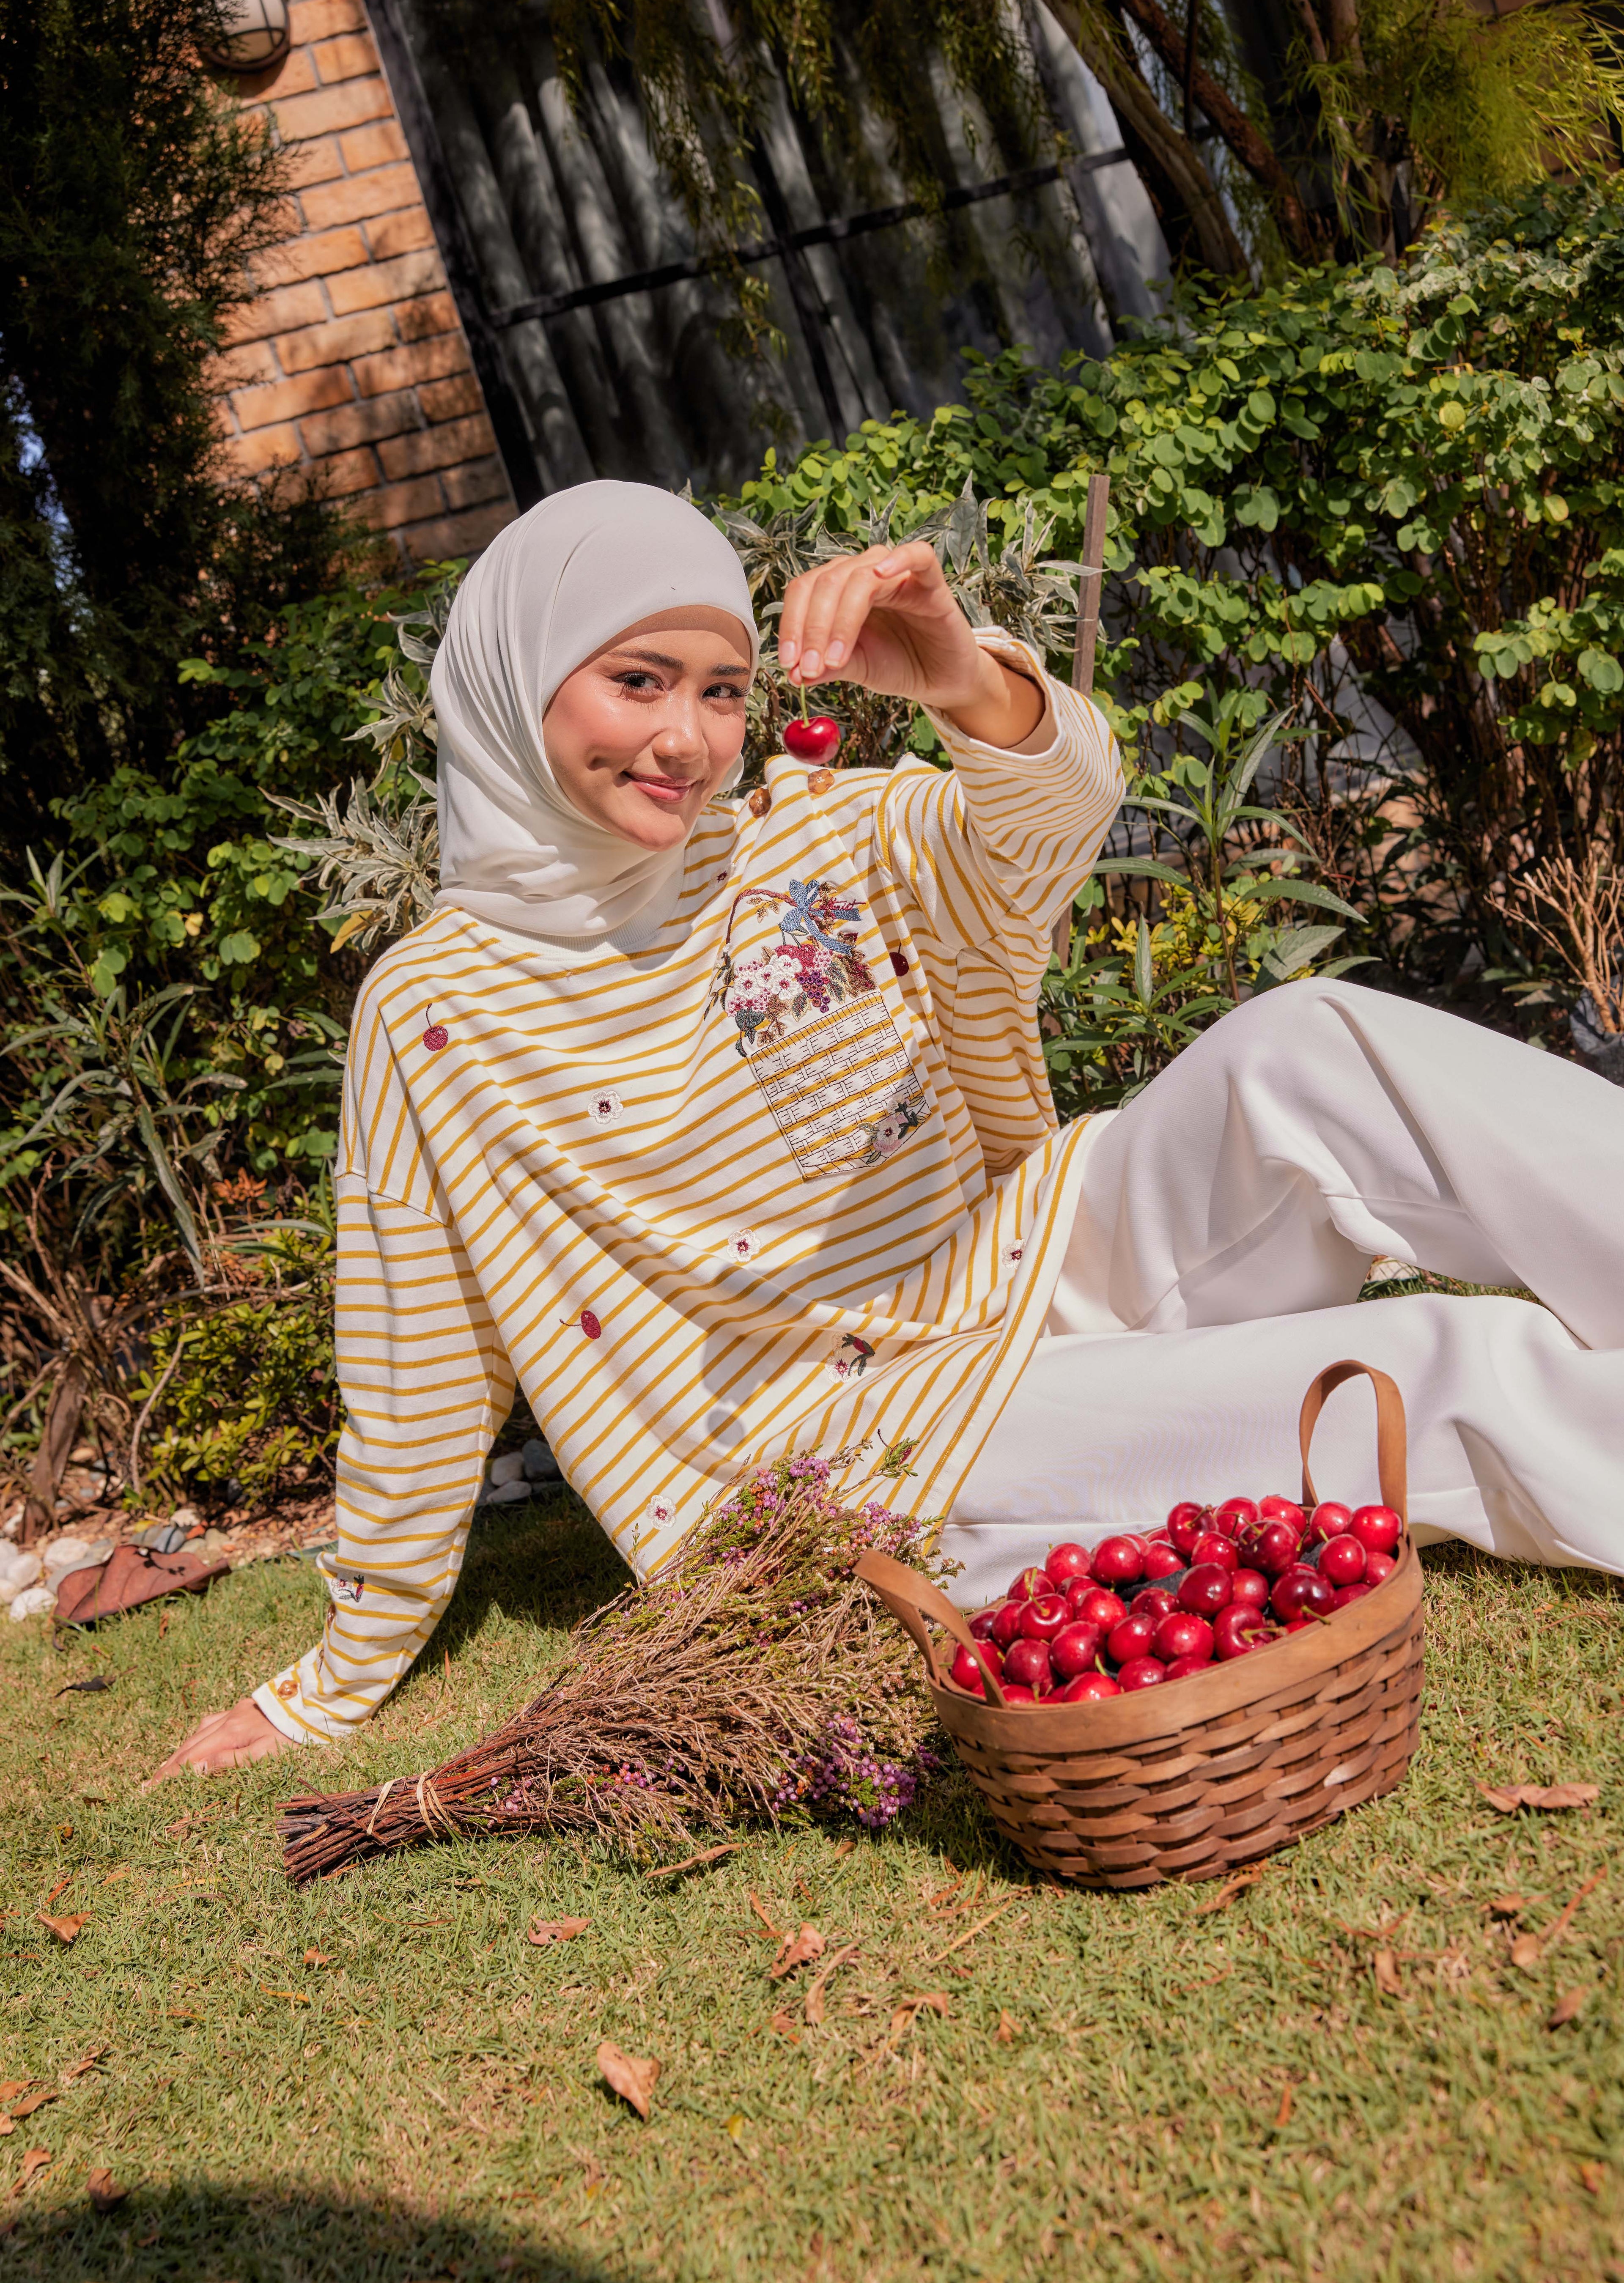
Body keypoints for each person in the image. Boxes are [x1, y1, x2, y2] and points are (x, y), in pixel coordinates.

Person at [154, 481, 1624, 1781]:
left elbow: (1048, 828)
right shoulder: (434, 1017)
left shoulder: (803, 833)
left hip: (1014, 1273)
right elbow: (416, 1372)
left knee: (1314, 1046)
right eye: (638, 681)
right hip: (856, 1461)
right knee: (1436, 1367)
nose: (688, 740)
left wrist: (967, 681)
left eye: (725, 690)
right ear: (518, 685)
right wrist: (328, 1688)